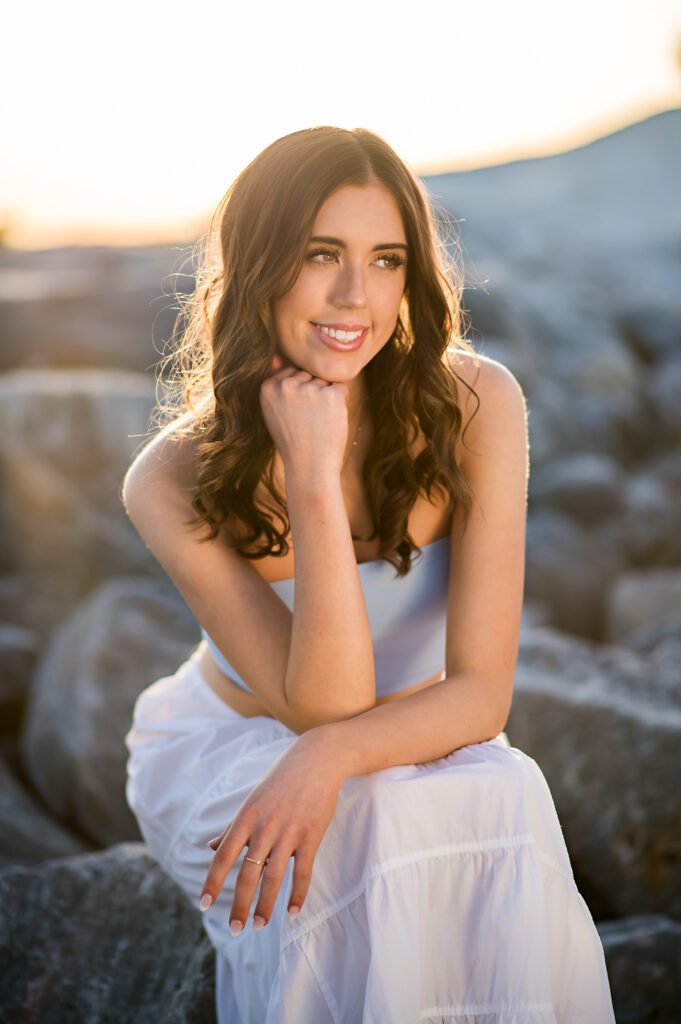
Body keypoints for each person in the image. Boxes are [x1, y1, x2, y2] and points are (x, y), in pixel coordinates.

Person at [122, 125, 615, 1022]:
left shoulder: (477, 405)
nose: (357, 295)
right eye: (321, 254)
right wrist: (311, 473)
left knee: (504, 791)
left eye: (386, 259)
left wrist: (335, 753)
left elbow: (478, 697)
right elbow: (324, 704)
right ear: (260, 263)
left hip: (391, 735)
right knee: (372, 823)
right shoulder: (169, 477)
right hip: (231, 747)